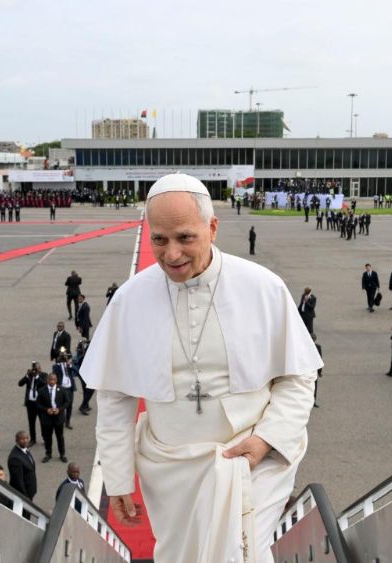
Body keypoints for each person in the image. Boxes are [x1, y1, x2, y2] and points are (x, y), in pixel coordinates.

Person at [80, 173, 321, 562]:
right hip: (170, 469)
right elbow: (114, 398)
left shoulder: (262, 287)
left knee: (242, 554)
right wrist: (119, 477)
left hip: (250, 460)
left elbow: (298, 376)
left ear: (212, 227)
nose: (171, 254)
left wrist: (265, 441)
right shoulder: (130, 300)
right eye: (159, 239)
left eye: (185, 238)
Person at [37, 372, 69, 463]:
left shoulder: (62, 390)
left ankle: (62, 454)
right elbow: (38, 404)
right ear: (47, 380)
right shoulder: (42, 390)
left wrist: (60, 409)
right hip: (47, 418)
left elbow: (67, 402)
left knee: (60, 437)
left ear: (56, 380)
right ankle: (48, 454)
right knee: (48, 437)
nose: (52, 381)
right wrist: (46, 410)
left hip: (58, 418)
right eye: (50, 379)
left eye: (53, 380)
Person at [19, 362, 46, 445]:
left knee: (43, 422)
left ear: (40, 369)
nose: (35, 370)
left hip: (40, 403)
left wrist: (37, 376)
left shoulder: (43, 375)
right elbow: (20, 384)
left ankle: (45, 438)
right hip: (30, 403)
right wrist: (27, 375)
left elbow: (44, 384)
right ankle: (33, 439)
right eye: (34, 369)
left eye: (37, 368)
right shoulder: (29, 376)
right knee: (31, 422)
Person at [7, 431, 37, 500]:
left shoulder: (25, 450)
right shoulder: (15, 458)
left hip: (30, 490)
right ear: (16, 441)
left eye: (26, 438)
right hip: (24, 494)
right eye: (22, 439)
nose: (25, 441)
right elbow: (18, 481)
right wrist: (25, 497)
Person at [54, 351, 76, 429]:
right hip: (62, 388)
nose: (64, 358)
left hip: (70, 388)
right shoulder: (56, 366)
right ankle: (60, 420)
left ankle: (68, 422)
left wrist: (69, 364)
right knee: (61, 405)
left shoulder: (69, 365)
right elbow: (54, 374)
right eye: (62, 356)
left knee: (69, 406)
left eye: (65, 356)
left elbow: (77, 371)